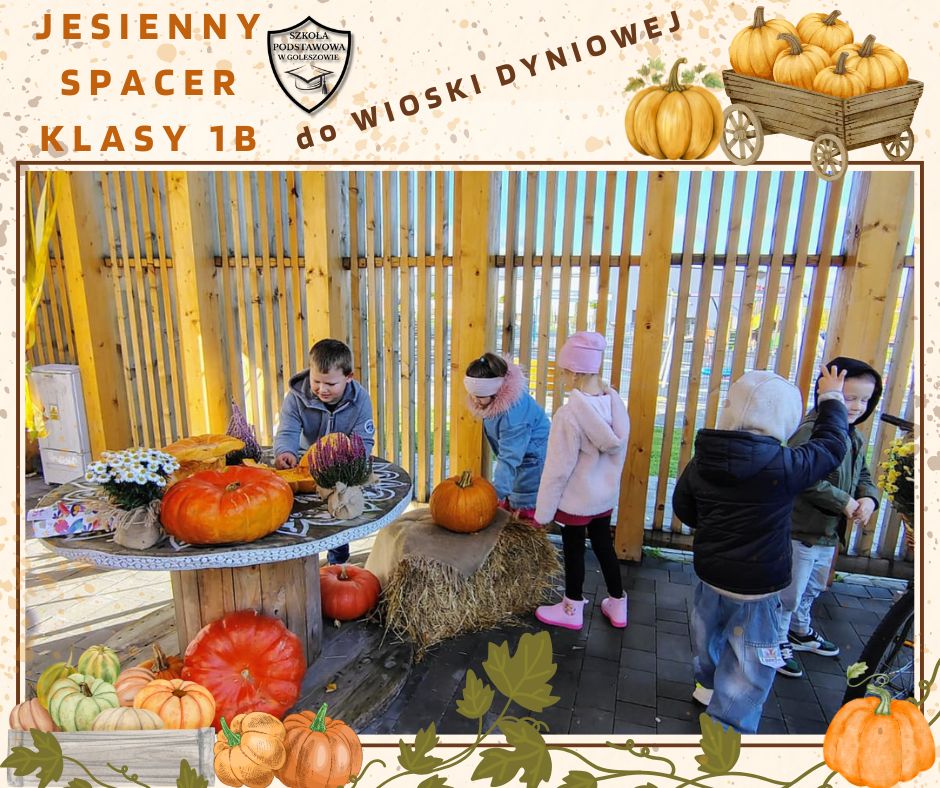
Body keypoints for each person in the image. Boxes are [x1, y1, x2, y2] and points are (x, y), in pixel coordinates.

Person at [672, 366, 849, 734]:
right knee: (750, 659)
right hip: (759, 586)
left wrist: (716, 529)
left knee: (707, 635)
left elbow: (684, 508)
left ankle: (707, 685)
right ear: (785, 420)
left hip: (711, 574)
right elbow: (832, 446)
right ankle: (727, 728)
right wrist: (831, 398)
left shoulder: (703, 459)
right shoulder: (786, 466)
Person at [775, 358, 884, 679]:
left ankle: (799, 629)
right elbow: (800, 475)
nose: (857, 406)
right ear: (827, 393)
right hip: (800, 531)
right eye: (848, 397)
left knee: (813, 587)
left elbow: (863, 474)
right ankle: (775, 639)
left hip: (827, 533)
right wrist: (843, 501)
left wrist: (868, 498)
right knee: (789, 593)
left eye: (865, 400)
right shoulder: (810, 431)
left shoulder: (853, 435)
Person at [533, 331, 630, 631]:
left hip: (575, 500)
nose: (562, 377)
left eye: (564, 371)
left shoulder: (568, 416)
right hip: (603, 497)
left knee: (574, 551)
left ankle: (571, 608)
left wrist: (543, 513)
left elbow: (557, 469)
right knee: (603, 546)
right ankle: (618, 604)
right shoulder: (615, 405)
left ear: (575, 372)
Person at [273, 338, 375, 565]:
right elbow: (288, 430)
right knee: (294, 510)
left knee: (340, 510)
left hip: (341, 466)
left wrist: (350, 465)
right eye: (316, 381)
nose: (322, 389)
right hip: (302, 462)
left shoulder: (360, 400)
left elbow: (363, 440)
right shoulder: (296, 397)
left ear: (349, 377)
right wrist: (285, 452)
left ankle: (337, 563)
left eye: (330, 384)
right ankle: (297, 562)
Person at [464, 353, 550, 521]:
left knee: (524, 510)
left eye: (480, 397)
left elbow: (509, 458)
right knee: (510, 498)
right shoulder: (497, 400)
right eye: (472, 395)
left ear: (496, 392)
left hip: (533, 463)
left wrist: (495, 495)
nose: (475, 400)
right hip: (520, 457)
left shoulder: (513, 419)